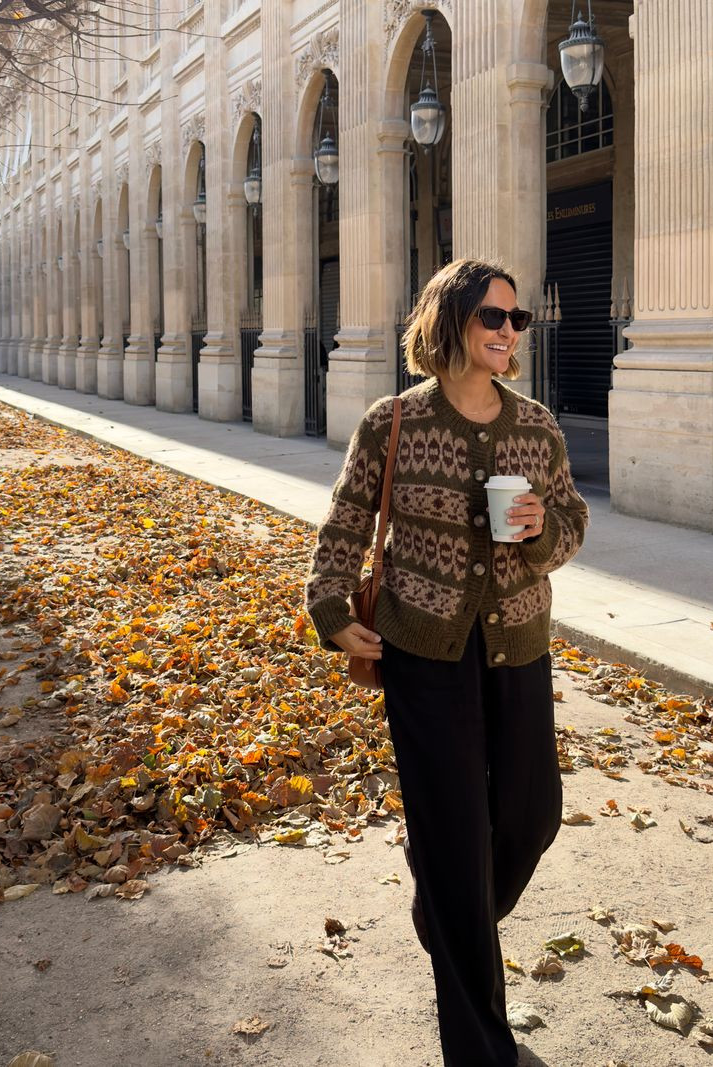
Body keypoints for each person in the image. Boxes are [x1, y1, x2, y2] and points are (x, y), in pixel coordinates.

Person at [304, 258, 589, 1067]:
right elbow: (345, 528)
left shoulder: (535, 425)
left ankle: (448, 906)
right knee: (457, 833)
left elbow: (571, 517)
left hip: (517, 643)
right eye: (491, 318)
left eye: (516, 320)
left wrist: (541, 533)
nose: (507, 332)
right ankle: (480, 1045)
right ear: (450, 323)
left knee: (532, 814)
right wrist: (331, 612)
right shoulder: (393, 422)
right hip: (421, 651)